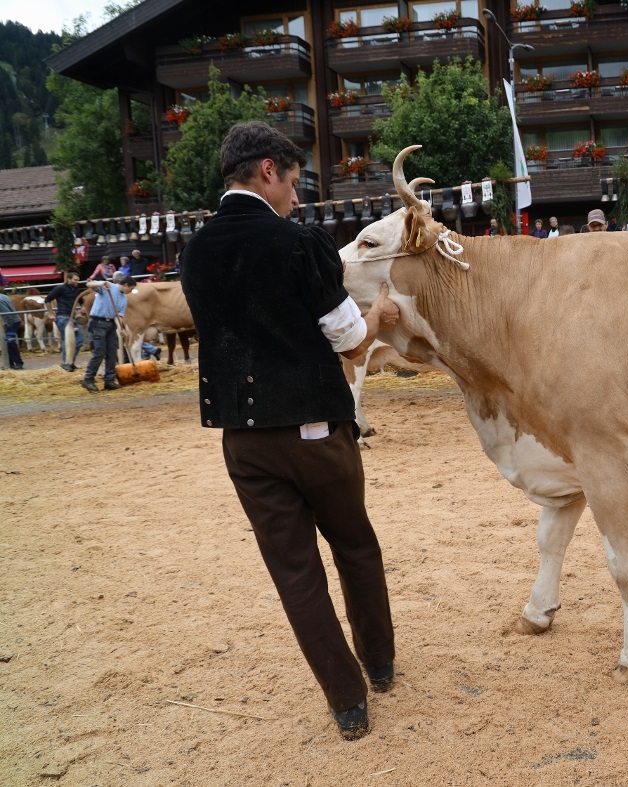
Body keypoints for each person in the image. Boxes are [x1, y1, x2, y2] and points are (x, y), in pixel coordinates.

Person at [179, 121, 400, 741]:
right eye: (296, 183)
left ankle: (347, 704)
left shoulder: (193, 252)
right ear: (268, 171)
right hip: (313, 429)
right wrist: (378, 315)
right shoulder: (299, 242)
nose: (298, 199)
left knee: (295, 574)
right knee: (355, 545)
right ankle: (379, 665)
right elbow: (352, 343)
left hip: (242, 441)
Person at [81, 271, 133, 391]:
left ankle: (109, 380)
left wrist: (122, 329)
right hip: (98, 322)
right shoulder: (108, 287)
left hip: (110, 324)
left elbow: (119, 316)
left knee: (112, 352)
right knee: (99, 351)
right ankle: (88, 379)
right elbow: (89, 284)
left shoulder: (124, 299)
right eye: (130, 288)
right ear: (125, 285)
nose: (130, 291)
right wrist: (101, 283)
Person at [44, 271, 85, 370]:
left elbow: (81, 301)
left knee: (77, 341)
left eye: (78, 280)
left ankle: (68, 362)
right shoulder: (60, 288)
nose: (77, 282)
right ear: (69, 279)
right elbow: (47, 299)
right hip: (62, 317)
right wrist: (51, 313)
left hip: (72, 317)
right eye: (75, 280)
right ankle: (67, 363)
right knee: (70, 340)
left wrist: (82, 309)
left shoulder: (76, 290)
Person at [0, 290, 23, 369]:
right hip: (14, 320)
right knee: (8, 342)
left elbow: (7, 314)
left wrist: (7, 324)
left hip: (10, 322)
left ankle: (18, 362)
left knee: (10, 342)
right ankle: (10, 363)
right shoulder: (3, 296)